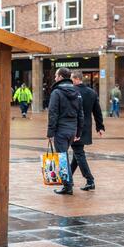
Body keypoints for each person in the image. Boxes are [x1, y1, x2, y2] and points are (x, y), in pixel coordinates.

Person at [47, 67, 84, 195]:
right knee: (64, 156)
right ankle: (68, 183)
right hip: (72, 129)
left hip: (61, 130)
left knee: (62, 158)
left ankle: (67, 186)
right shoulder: (77, 92)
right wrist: (78, 132)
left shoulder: (56, 92)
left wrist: (50, 133)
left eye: (56, 76)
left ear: (61, 77)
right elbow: (81, 114)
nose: (55, 78)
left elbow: (53, 113)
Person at [70, 71, 105, 191]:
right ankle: (68, 178)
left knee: (78, 152)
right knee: (77, 153)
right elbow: (97, 111)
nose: (71, 81)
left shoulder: (72, 91)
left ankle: (90, 180)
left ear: (75, 79)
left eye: (71, 79)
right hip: (86, 126)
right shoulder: (92, 92)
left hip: (75, 127)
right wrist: (100, 127)